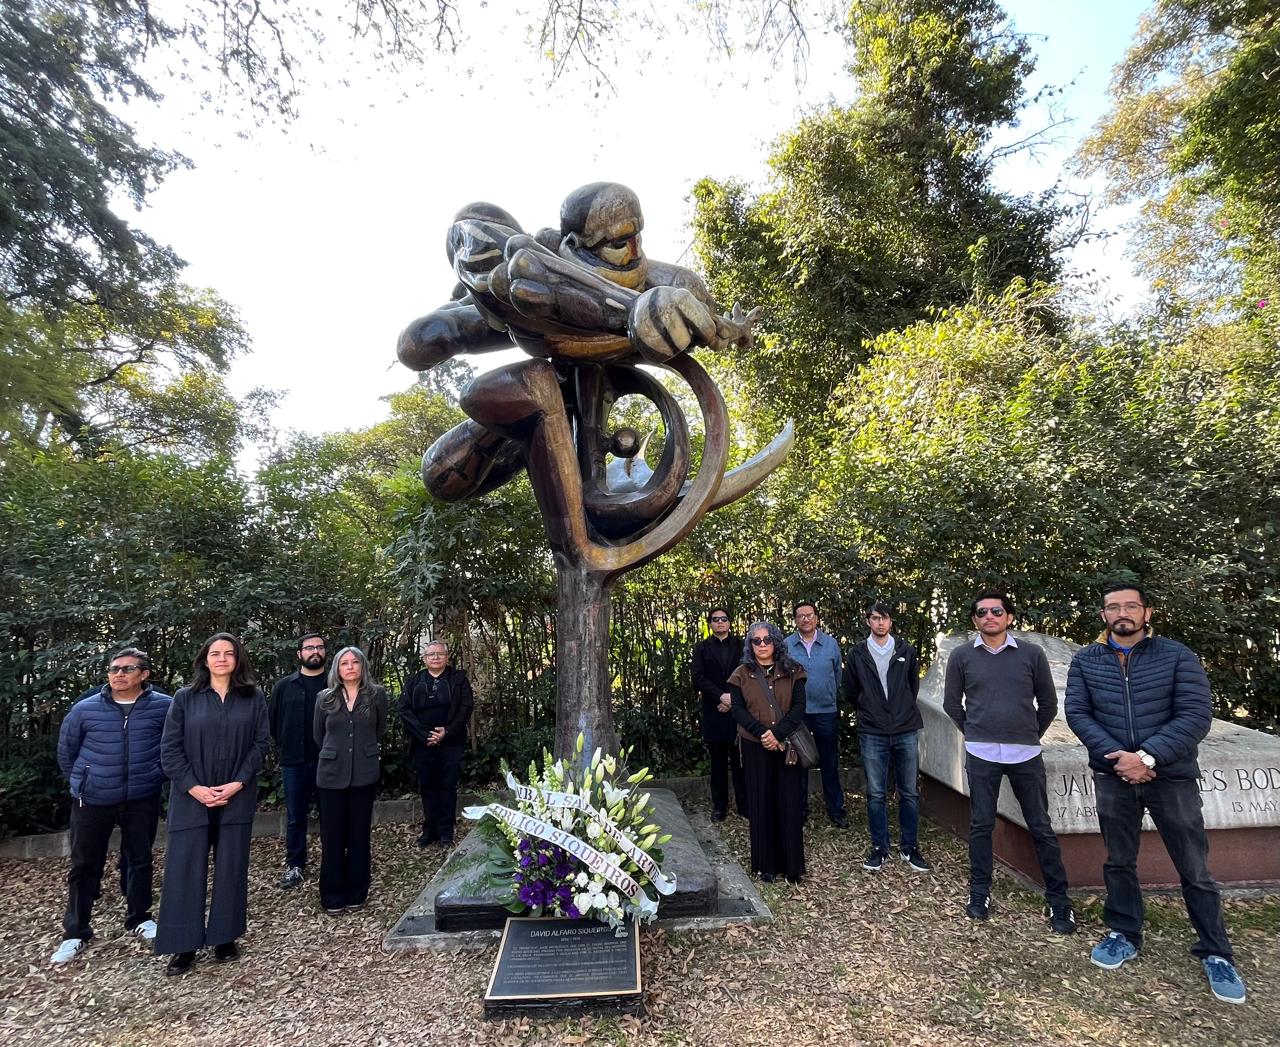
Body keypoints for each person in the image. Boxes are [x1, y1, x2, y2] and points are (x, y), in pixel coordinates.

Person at [1065, 583, 1246, 1004]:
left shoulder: (1177, 656)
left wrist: (1146, 757)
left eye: (1131, 606)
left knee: (1194, 867)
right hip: (1113, 775)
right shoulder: (1086, 660)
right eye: (1113, 607)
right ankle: (1124, 932)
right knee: (1119, 860)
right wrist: (1121, 760)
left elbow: (1195, 715)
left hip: (1170, 776)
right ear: (1103, 615)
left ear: (1147, 613)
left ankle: (1216, 951)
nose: (1122, 613)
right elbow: (1078, 712)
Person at [943, 591, 1076, 934]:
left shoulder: (1031, 654)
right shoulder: (961, 656)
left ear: (1009, 617)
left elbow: (1048, 703)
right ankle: (979, 892)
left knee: (1040, 826)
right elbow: (951, 703)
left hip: (1025, 755)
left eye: (996, 611)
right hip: (981, 755)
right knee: (981, 826)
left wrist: (1029, 733)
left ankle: (1059, 901)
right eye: (982, 612)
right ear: (974, 619)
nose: (989, 616)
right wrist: (975, 732)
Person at [154, 633, 269, 976]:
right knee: (184, 869)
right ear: (205, 659)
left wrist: (238, 782)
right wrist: (194, 788)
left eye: (228, 653)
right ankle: (183, 945)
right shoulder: (185, 698)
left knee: (231, 867)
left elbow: (261, 744)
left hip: (236, 796)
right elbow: (169, 749)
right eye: (215, 653)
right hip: (192, 798)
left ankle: (225, 937)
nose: (221, 658)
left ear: (237, 659)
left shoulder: (253, 698)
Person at [50, 648, 172, 964]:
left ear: (144, 674)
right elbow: (66, 752)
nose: (118, 674)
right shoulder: (85, 709)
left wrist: (156, 773)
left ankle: (139, 917)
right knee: (84, 863)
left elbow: (173, 746)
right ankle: (75, 931)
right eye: (114, 668)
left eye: (127, 669)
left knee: (139, 859)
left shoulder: (164, 707)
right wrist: (83, 781)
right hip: (93, 798)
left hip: (141, 795)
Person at [844, 601, 930, 873]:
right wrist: (868, 706)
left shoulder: (906, 651)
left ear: (891, 621)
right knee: (876, 793)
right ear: (868, 621)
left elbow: (912, 686)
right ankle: (879, 847)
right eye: (875, 618)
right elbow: (850, 690)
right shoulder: (857, 653)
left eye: (884, 618)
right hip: (872, 730)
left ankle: (909, 847)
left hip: (905, 728)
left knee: (909, 792)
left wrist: (901, 709)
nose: (880, 623)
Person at [729, 621, 808, 884]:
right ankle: (767, 866)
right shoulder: (741, 673)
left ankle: (792, 867)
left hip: (787, 746)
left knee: (789, 802)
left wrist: (778, 733)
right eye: (756, 641)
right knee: (761, 802)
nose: (762, 645)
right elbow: (738, 710)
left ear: (776, 642)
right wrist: (763, 733)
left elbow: (799, 708)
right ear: (750, 645)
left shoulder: (793, 671)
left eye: (767, 640)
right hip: (755, 745)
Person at [313, 646, 388, 916]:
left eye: (355, 662)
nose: (350, 667)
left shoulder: (376, 695)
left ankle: (357, 892)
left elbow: (380, 728)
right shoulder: (325, 698)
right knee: (333, 836)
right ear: (337, 668)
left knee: (358, 834)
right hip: (331, 775)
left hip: (364, 774)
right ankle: (332, 894)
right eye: (344, 663)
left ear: (362, 666)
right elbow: (318, 735)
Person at [399, 640, 474, 847]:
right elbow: (404, 709)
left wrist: (447, 732)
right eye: (431, 654)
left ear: (447, 657)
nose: (435, 657)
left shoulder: (459, 680)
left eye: (440, 654)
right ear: (424, 659)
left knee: (447, 786)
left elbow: (466, 707)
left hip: (451, 743)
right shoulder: (414, 681)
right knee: (427, 787)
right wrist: (425, 735)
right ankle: (429, 829)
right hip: (423, 744)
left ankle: (446, 831)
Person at [268, 633, 328, 889]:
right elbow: (273, 723)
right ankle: (295, 865)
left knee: (331, 815)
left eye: (319, 647)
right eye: (309, 648)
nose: (315, 651)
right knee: (295, 817)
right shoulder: (284, 686)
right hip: (294, 762)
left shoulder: (334, 684)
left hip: (329, 762)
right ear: (299, 654)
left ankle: (333, 861)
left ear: (325, 652)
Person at [784, 602, 846, 828]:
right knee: (799, 763)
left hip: (825, 712)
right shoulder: (787, 645)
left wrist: (827, 695)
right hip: (797, 713)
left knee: (829, 763)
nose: (805, 619)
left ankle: (836, 811)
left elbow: (837, 675)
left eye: (809, 615)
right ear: (795, 620)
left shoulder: (831, 644)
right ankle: (799, 811)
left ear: (817, 618)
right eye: (800, 616)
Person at [691, 607, 747, 822]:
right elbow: (698, 677)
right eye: (716, 619)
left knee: (741, 762)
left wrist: (733, 699)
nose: (720, 622)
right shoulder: (702, 648)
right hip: (714, 711)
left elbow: (748, 674)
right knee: (718, 764)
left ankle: (745, 806)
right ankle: (719, 807)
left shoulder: (742, 646)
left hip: (738, 712)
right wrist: (720, 697)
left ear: (730, 622)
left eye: (724, 619)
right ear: (710, 624)